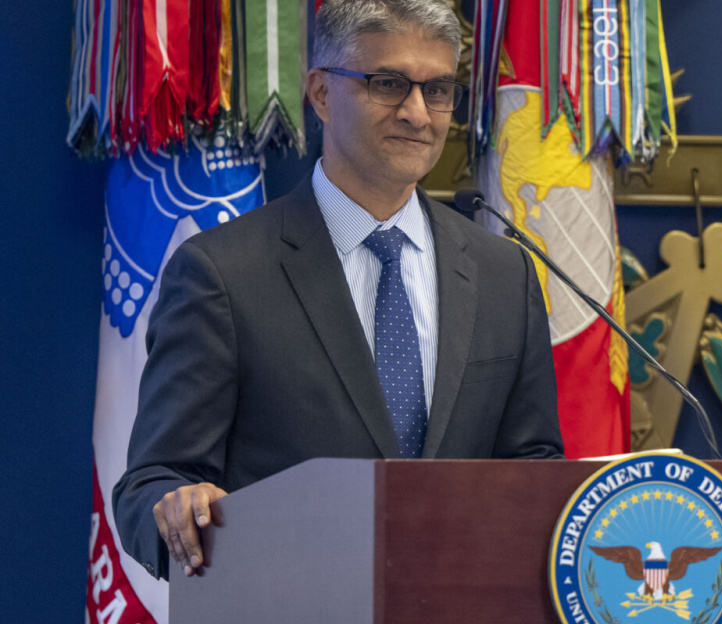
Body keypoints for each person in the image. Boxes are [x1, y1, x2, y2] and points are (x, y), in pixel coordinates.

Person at [113, 0, 562, 581]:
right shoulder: (221, 274)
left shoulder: (505, 273)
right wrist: (174, 510)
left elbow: (533, 466)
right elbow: (152, 483)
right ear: (322, 94)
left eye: (439, 89)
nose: (418, 113)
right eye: (388, 83)